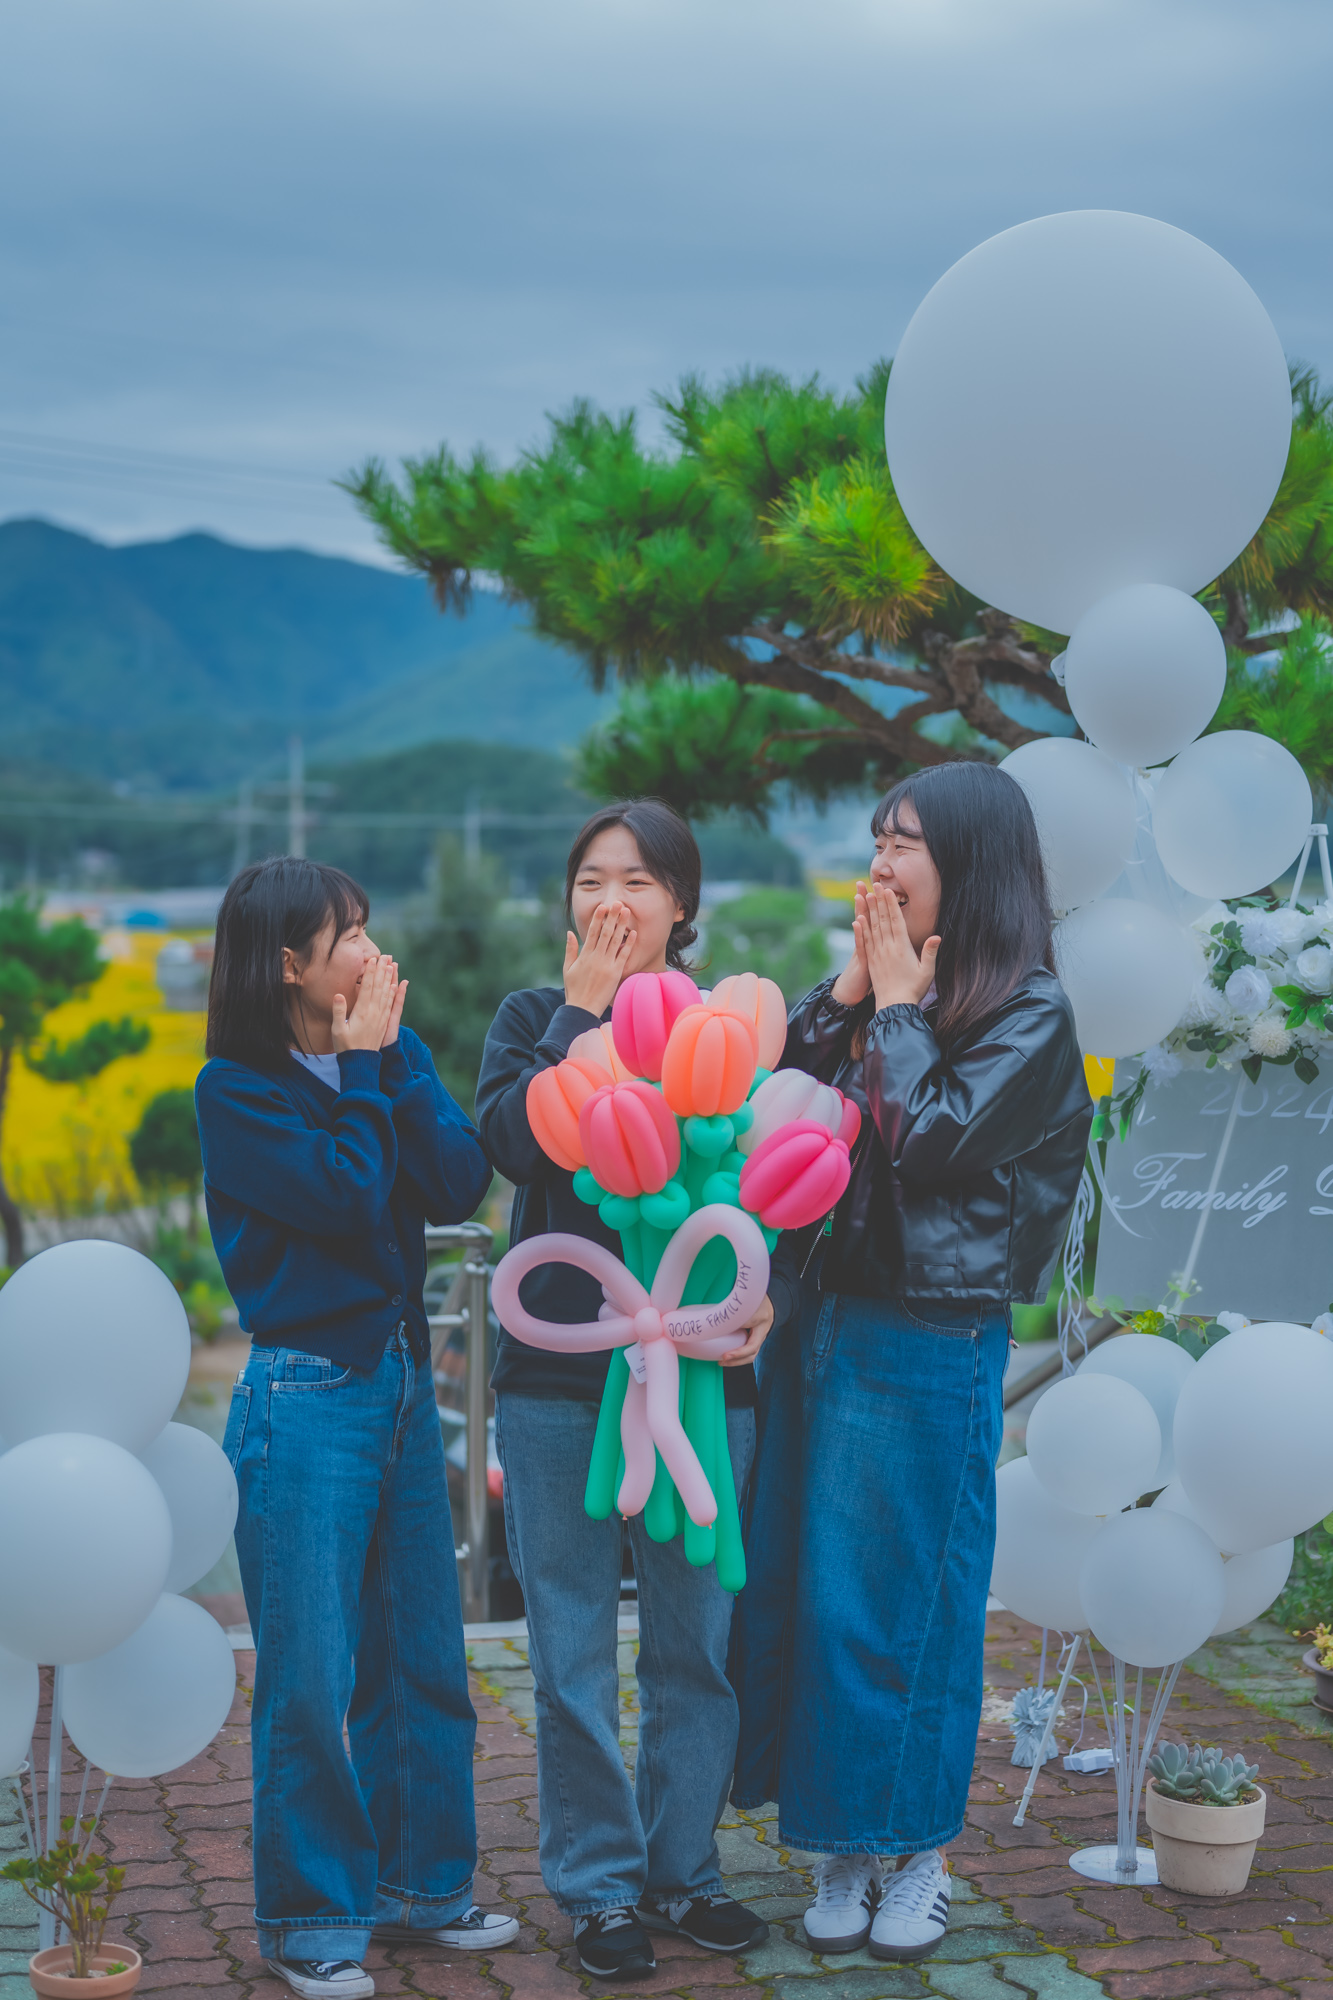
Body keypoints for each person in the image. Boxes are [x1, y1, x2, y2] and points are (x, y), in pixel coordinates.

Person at [731, 763, 1092, 1965]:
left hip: (931, 1329)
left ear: (971, 866)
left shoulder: (1030, 1011)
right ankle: (843, 1842)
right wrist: (853, 988)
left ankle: (919, 1848)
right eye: (877, 839)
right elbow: (776, 1089)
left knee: (913, 1600)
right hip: (826, 1312)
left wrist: (892, 1006)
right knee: (818, 1589)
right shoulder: (892, 989)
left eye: (906, 845)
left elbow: (929, 1136)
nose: (880, 865)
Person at [197, 857, 518, 2000]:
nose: (375, 951)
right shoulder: (236, 1089)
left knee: (421, 1653)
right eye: (350, 935)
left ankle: (424, 1888)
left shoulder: (389, 1049)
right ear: (290, 963)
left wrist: (390, 1062)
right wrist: (369, 1069)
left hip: (394, 1383)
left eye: (369, 928)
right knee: (310, 1674)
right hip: (303, 1395)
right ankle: (310, 1920)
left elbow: (457, 1179)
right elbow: (342, 1191)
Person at [477, 801, 773, 1981]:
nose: (611, 899)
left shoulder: (727, 1027)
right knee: (571, 1651)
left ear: (681, 902)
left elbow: (779, 1185)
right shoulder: (529, 1019)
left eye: (638, 879)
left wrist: (767, 1304)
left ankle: (682, 1868)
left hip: (700, 1378)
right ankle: (598, 1886)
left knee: (697, 1642)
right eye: (591, 877)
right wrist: (580, 1014)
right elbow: (512, 1144)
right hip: (559, 1379)